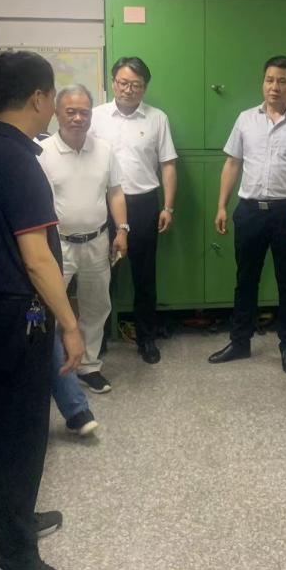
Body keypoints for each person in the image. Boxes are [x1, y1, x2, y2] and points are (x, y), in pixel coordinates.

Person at [0, 51, 84, 570]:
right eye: (51, 96)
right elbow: (37, 259)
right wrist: (70, 325)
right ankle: (13, 564)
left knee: (6, 431)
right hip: (16, 318)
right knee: (20, 440)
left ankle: (14, 523)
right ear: (38, 97)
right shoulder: (17, 162)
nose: (53, 104)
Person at [209, 56, 286, 374]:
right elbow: (232, 163)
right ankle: (240, 342)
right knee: (245, 279)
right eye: (269, 80)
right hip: (249, 211)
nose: (274, 87)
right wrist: (221, 205)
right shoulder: (246, 119)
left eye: (282, 81)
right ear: (263, 82)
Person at [39, 84, 127, 406]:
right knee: (49, 307)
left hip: (97, 241)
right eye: (71, 112)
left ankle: (89, 366)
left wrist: (122, 230)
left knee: (97, 305)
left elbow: (115, 192)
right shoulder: (42, 153)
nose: (78, 118)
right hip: (57, 245)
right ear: (57, 113)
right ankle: (48, 369)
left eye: (84, 113)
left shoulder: (104, 149)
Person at [90, 57, 177, 364]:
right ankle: (97, 340)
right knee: (101, 275)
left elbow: (168, 164)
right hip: (102, 204)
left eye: (136, 85)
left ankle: (146, 339)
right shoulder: (96, 117)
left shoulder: (157, 118)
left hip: (143, 204)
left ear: (145, 87)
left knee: (144, 275)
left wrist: (168, 206)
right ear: (113, 82)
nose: (128, 90)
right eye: (123, 83)